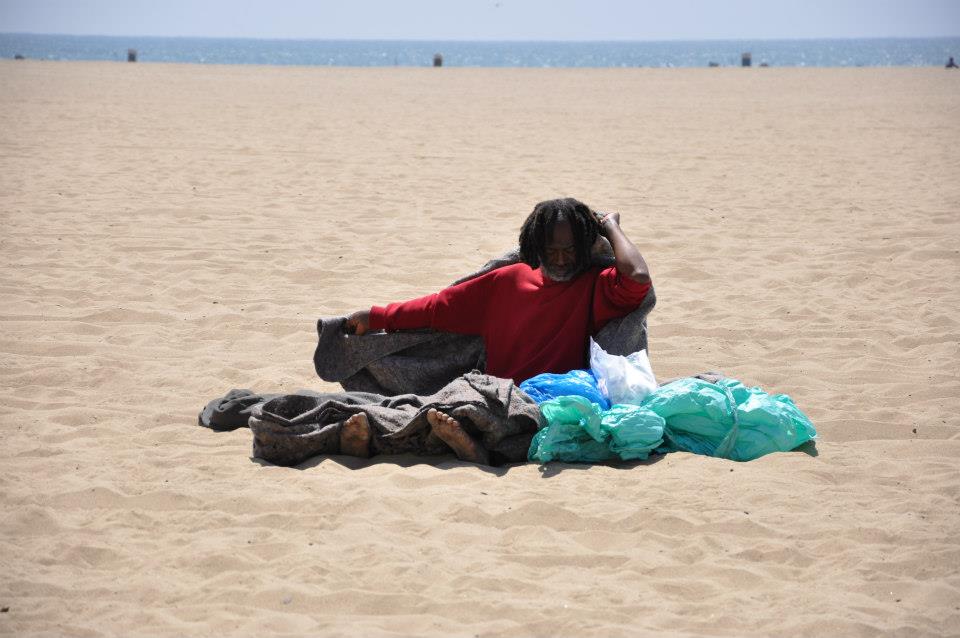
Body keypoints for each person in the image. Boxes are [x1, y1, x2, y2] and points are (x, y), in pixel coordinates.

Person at [340, 197, 653, 463]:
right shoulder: (507, 280)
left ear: (585, 246)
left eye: (569, 250)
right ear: (535, 245)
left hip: (549, 401)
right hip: (492, 392)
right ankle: (370, 441)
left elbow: (637, 276)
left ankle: (476, 448)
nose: (560, 260)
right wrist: (377, 316)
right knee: (436, 407)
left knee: (538, 425)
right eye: (551, 250)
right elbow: (438, 308)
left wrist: (611, 225)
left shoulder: (595, 286)